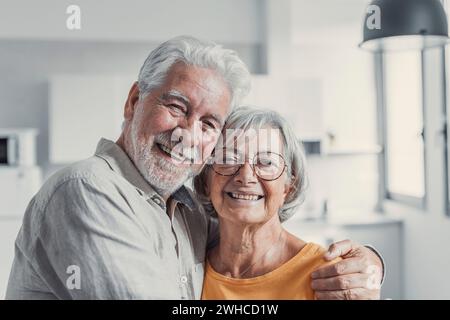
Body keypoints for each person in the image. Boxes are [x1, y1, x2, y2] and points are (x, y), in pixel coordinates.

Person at [6, 36, 383, 300]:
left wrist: (370, 261)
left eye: (208, 124)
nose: (187, 135)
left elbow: (253, 231)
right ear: (134, 100)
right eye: (176, 107)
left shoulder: (184, 210)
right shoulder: (88, 190)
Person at [195, 106, 381, 299]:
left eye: (266, 162)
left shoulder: (329, 277)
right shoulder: (190, 268)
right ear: (206, 179)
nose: (246, 176)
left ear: (288, 187)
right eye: (228, 158)